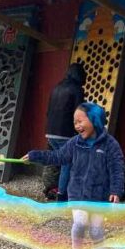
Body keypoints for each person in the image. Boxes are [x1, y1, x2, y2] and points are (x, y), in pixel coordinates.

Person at [24, 102, 124, 249]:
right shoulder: (74, 143)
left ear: (94, 120)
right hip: (77, 193)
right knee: (79, 222)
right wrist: (34, 156)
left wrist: (116, 190)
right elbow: (57, 156)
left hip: (99, 196)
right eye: (75, 122)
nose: (77, 126)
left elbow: (117, 168)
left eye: (80, 121)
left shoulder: (110, 144)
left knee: (96, 230)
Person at [42, 63, 86, 201]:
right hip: (64, 133)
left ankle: (50, 188)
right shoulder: (76, 89)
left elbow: (48, 111)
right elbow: (79, 113)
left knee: (55, 162)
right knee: (67, 164)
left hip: (50, 132)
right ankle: (62, 195)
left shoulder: (56, 88)